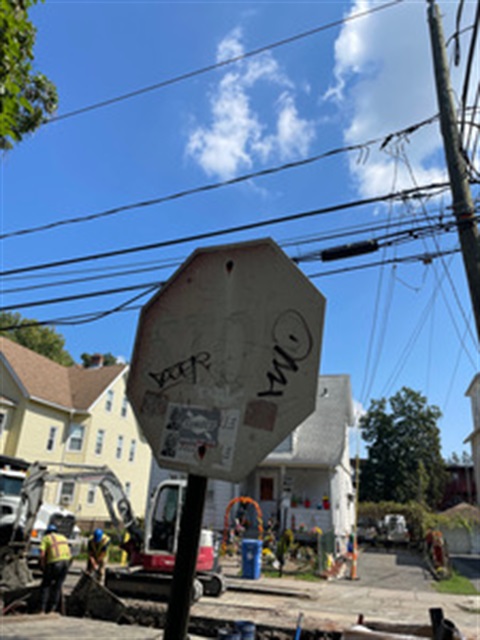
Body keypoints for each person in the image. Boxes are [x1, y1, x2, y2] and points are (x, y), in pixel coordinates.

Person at [39, 524, 72, 614]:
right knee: (57, 586)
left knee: (46, 585)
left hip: (54, 563)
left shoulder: (46, 538)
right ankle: (52, 609)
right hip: (65, 563)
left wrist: (42, 566)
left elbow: (42, 554)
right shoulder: (63, 537)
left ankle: (42, 609)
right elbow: (69, 552)